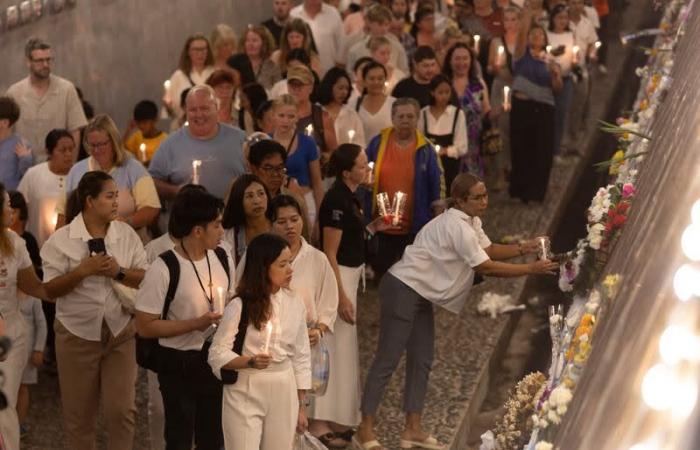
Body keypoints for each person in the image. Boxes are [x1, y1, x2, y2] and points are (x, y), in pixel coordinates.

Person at [355, 173, 559, 450]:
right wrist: (530, 269)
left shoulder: (471, 221)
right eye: (478, 197)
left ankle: (412, 429)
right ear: (461, 201)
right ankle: (364, 429)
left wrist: (526, 247)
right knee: (388, 359)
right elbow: (485, 266)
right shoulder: (457, 227)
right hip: (403, 287)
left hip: (420, 291)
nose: (485, 201)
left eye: (486, 194)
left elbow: (488, 249)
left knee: (422, 358)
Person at [41, 171, 147, 450]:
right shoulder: (61, 240)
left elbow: (147, 278)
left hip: (120, 332)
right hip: (76, 335)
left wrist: (119, 272)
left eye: (117, 195)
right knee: (79, 418)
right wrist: (81, 272)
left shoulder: (125, 234)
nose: (117, 202)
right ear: (90, 201)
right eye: (110, 196)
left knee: (122, 411)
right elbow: (49, 291)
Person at [135, 188, 233, 450]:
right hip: (178, 363)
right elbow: (144, 326)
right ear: (197, 230)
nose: (222, 231)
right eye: (217, 225)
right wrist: (195, 323)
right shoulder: (163, 267)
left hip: (213, 359)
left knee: (213, 437)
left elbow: (232, 299)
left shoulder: (223, 256)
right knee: (179, 437)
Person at [318, 144, 397, 445]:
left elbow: (355, 235)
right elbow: (329, 251)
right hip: (339, 278)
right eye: (362, 165)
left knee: (346, 349)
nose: (367, 169)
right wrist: (340, 295)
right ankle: (321, 421)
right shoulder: (336, 199)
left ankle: (339, 417)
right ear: (346, 171)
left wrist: (375, 226)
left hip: (351, 276)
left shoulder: (354, 197)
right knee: (334, 348)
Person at [207, 233, 311, 450]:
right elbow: (217, 352)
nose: (290, 270)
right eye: (282, 264)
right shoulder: (240, 305)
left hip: (283, 386)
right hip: (246, 388)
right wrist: (249, 362)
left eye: (290, 262)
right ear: (264, 268)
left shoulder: (295, 302)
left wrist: (302, 405)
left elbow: (301, 355)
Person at [265, 195, 341, 447]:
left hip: (305, 342)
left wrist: (319, 328)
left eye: (295, 220)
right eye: (282, 221)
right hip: (271, 342)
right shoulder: (261, 255)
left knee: (300, 411)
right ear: (271, 224)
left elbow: (330, 300)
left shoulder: (317, 258)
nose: (290, 227)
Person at [365, 97, 445, 277]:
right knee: (382, 272)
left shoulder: (427, 149)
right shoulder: (377, 143)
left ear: (417, 119)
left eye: (410, 116)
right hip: (382, 224)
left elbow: (437, 183)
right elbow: (364, 170)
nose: (405, 121)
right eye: (401, 117)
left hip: (415, 224)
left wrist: (438, 216)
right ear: (393, 118)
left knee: (412, 275)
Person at [56, 115, 161, 242]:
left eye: (101, 144)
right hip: (84, 245)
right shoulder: (77, 171)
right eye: (92, 145)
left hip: (128, 243)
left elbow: (151, 208)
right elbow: (63, 213)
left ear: (113, 141)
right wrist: (60, 242)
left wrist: (126, 223)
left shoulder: (132, 168)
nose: (96, 150)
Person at [0, 183, 47, 450]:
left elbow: (36, 287)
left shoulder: (16, 244)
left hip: (10, 335)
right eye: (6, 204)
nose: (11, 210)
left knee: (5, 403)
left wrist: (73, 280)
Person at [149, 85, 248, 202]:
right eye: (193, 110)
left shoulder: (239, 139)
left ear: (216, 108)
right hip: (189, 217)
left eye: (205, 108)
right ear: (186, 112)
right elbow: (152, 182)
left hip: (234, 217)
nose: (199, 114)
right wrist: (176, 191)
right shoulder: (170, 145)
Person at [509, 5, 562, 203]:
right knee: (522, 148)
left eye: (540, 34)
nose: (536, 36)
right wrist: (529, 14)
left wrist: (555, 74)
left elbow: (557, 88)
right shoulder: (522, 56)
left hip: (544, 109)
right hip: (523, 107)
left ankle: (536, 193)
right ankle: (519, 189)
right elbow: (522, 34)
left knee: (541, 151)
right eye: (533, 34)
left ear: (545, 39)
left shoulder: (550, 60)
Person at [5, 38, 88, 162]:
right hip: (23, 167)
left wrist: (70, 166)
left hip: (57, 165)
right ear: (28, 62)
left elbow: (75, 131)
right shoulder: (14, 93)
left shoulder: (67, 89)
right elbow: (6, 133)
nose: (45, 65)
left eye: (48, 60)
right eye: (39, 60)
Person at [271, 95, 324, 227]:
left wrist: (320, 218)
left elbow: (317, 181)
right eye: (281, 115)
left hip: (303, 199)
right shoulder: (266, 141)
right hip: (275, 201)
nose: (285, 121)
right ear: (273, 116)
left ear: (297, 117)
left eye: (290, 116)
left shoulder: (307, 143)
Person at [443, 42, 491, 176]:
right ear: (450, 61)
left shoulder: (478, 83)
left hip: (473, 145)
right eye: (457, 58)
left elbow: (486, 111)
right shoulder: (444, 83)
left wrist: (502, 109)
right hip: (450, 143)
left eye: (465, 58)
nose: (461, 62)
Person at [486, 6, 519, 191]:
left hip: (518, 88)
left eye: (514, 19)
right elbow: (490, 66)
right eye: (507, 19)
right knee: (499, 129)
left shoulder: (524, 41)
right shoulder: (497, 42)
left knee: (515, 129)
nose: (511, 23)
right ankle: (500, 171)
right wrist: (496, 67)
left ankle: (514, 168)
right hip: (501, 88)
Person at [417, 74, 468, 192]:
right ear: (432, 93)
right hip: (429, 165)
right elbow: (419, 140)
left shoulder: (457, 114)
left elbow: (462, 146)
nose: (444, 96)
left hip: (450, 166)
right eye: (440, 92)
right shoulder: (424, 114)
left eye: (447, 92)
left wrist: (445, 151)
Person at [163, 33, 216, 130]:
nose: (200, 54)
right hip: (184, 126)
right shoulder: (178, 76)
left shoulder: (215, 73)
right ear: (188, 52)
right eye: (196, 50)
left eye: (203, 49)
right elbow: (171, 110)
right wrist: (168, 106)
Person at [286, 65, 338, 157]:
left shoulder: (323, 118)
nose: (296, 89)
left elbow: (334, 153)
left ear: (311, 87)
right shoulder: (279, 114)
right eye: (292, 85)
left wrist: (318, 156)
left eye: (300, 85)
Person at [345, 4, 410, 76]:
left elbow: (404, 72)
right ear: (369, 23)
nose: (384, 29)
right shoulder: (356, 50)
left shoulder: (397, 47)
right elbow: (350, 74)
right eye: (380, 24)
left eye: (387, 24)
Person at [222, 174, 273, 264]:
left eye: (261, 193)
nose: (257, 201)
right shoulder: (229, 236)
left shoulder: (279, 228)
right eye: (249, 196)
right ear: (238, 201)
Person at [546, 4, 576, 156]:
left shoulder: (571, 35)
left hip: (566, 79)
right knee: (548, 114)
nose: (562, 21)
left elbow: (575, 56)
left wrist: (575, 61)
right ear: (553, 19)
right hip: (548, 80)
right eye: (559, 17)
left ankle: (556, 149)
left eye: (565, 17)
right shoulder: (547, 35)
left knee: (561, 113)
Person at [291, 0, 344, 76]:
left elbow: (341, 43)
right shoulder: (293, 14)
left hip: (329, 72)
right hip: (300, 74)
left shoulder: (333, 13)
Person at [318, 68, 366, 146]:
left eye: (347, 89)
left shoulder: (351, 115)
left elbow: (360, 144)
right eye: (340, 88)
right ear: (329, 86)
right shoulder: (316, 111)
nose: (344, 92)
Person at [354, 62, 396, 146]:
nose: (376, 82)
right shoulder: (354, 104)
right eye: (372, 79)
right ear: (364, 81)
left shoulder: (395, 104)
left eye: (380, 78)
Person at [0, 96, 32, 191]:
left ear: (5, 123)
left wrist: (25, 159)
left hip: (9, 199)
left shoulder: (21, 145)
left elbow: (28, 178)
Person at [123, 100, 168, 165]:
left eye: (145, 122)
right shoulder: (137, 136)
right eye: (138, 123)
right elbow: (121, 150)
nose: (141, 126)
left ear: (155, 119)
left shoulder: (165, 140)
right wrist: (128, 131)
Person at [240, 25, 281, 91]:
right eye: (247, 40)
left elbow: (278, 91)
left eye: (254, 40)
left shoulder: (272, 67)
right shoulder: (239, 66)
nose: (250, 44)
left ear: (264, 43)